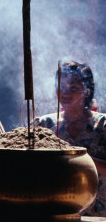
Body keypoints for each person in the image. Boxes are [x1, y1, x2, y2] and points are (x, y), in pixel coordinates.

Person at [34, 60, 106, 216]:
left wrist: (81, 159)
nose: (65, 92)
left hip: (99, 216)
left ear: (86, 91)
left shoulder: (103, 126)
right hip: (54, 214)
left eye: (73, 87)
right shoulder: (44, 125)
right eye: (61, 87)